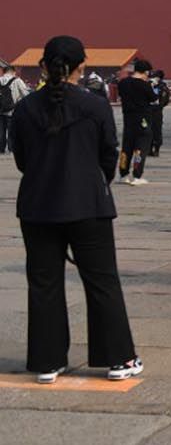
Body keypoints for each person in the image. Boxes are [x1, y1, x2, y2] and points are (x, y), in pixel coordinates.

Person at [12, 35, 142, 384]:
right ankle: (119, 359)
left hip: (37, 207)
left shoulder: (25, 109)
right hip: (88, 205)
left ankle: (47, 362)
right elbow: (108, 155)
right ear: (82, 65)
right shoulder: (95, 106)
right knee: (101, 282)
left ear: (43, 66)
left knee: (44, 283)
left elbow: (22, 160)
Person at [116, 60, 155, 185]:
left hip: (128, 118)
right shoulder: (145, 85)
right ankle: (137, 175)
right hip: (142, 119)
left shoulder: (123, 83)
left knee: (126, 148)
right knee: (140, 148)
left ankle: (123, 174)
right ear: (146, 72)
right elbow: (153, 99)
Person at [1, 61, 32, 153]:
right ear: (13, 72)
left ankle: (1, 149)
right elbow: (26, 94)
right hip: (12, 110)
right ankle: (11, 149)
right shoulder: (17, 80)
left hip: (0, 110)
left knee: (1, 131)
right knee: (11, 131)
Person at [147, 70, 168, 156]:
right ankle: (153, 149)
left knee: (152, 129)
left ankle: (154, 149)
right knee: (156, 130)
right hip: (157, 111)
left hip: (152, 110)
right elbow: (166, 100)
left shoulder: (160, 86)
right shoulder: (163, 86)